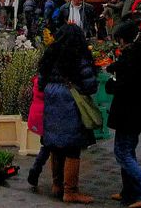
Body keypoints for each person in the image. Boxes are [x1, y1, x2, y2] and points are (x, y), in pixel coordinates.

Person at [38, 24, 97, 203]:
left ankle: (57, 185)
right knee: (72, 148)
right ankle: (70, 191)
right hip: (70, 100)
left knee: (56, 144)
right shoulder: (79, 56)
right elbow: (90, 85)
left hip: (51, 97)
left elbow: (40, 82)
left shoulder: (50, 54)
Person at [106, 21, 141, 208]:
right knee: (128, 151)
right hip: (137, 110)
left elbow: (124, 83)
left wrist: (111, 81)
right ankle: (129, 192)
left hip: (130, 111)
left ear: (123, 39)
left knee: (123, 153)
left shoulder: (132, 55)